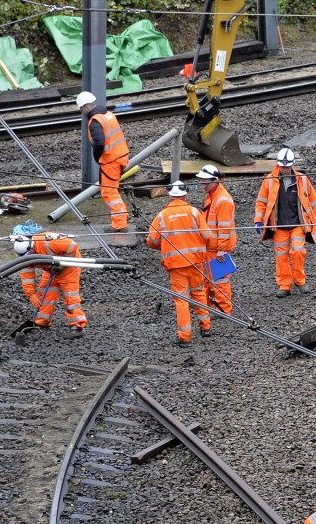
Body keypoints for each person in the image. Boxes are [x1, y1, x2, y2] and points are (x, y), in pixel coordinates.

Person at [146, 180, 213, 347]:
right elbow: (207, 236)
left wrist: (165, 245)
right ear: (184, 195)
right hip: (196, 262)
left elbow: (152, 241)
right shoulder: (194, 212)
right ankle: (206, 327)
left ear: (170, 196)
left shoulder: (161, 216)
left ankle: (185, 337)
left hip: (176, 265)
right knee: (198, 293)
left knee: (181, 299)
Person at [254, 147, 316, 298]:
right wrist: (258, 221)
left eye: (287, 166)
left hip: (298, 223)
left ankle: (300, 281)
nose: (284, 169)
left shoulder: (302, 180)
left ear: (292, 164)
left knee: (298, 251)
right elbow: (261, 202)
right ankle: (285, 285)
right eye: (282, 166)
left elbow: (313, 202)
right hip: (278, 225)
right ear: (278, 164)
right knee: (281, 257)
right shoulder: (269, 181)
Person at [11, 223, 87, 338]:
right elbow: (27, 276)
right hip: (51, 270)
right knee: (44, 296)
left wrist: (63, 264)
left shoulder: (47, 242)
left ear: (31, 247)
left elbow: (72, 246)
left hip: (69, 268)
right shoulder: (25, 255)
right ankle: (42, 322)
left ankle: (77, 327)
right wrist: (30, 294)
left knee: (70, 297)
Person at [76, 91, 131, 232]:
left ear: (87, 107)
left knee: (109, 192)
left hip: (111, 160)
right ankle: (122, 216)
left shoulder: (95, 121)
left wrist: (97, 157)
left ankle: (120, 224)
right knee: (112, 190)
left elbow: (99, 143)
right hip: (120, 156)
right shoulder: (108, 115)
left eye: (81, 109)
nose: (82, 112)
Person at [198, 164, 237, 315]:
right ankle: (213, 307)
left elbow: (224, 228)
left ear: (215, 181)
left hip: (218, 249)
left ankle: (224, 310)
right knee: (209, 280)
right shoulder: (212, 196)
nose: (202, 185)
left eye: (205, 182)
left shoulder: (222, 200)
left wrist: (221, 249)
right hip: (211, 247)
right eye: (201, 182)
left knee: (221, 280)